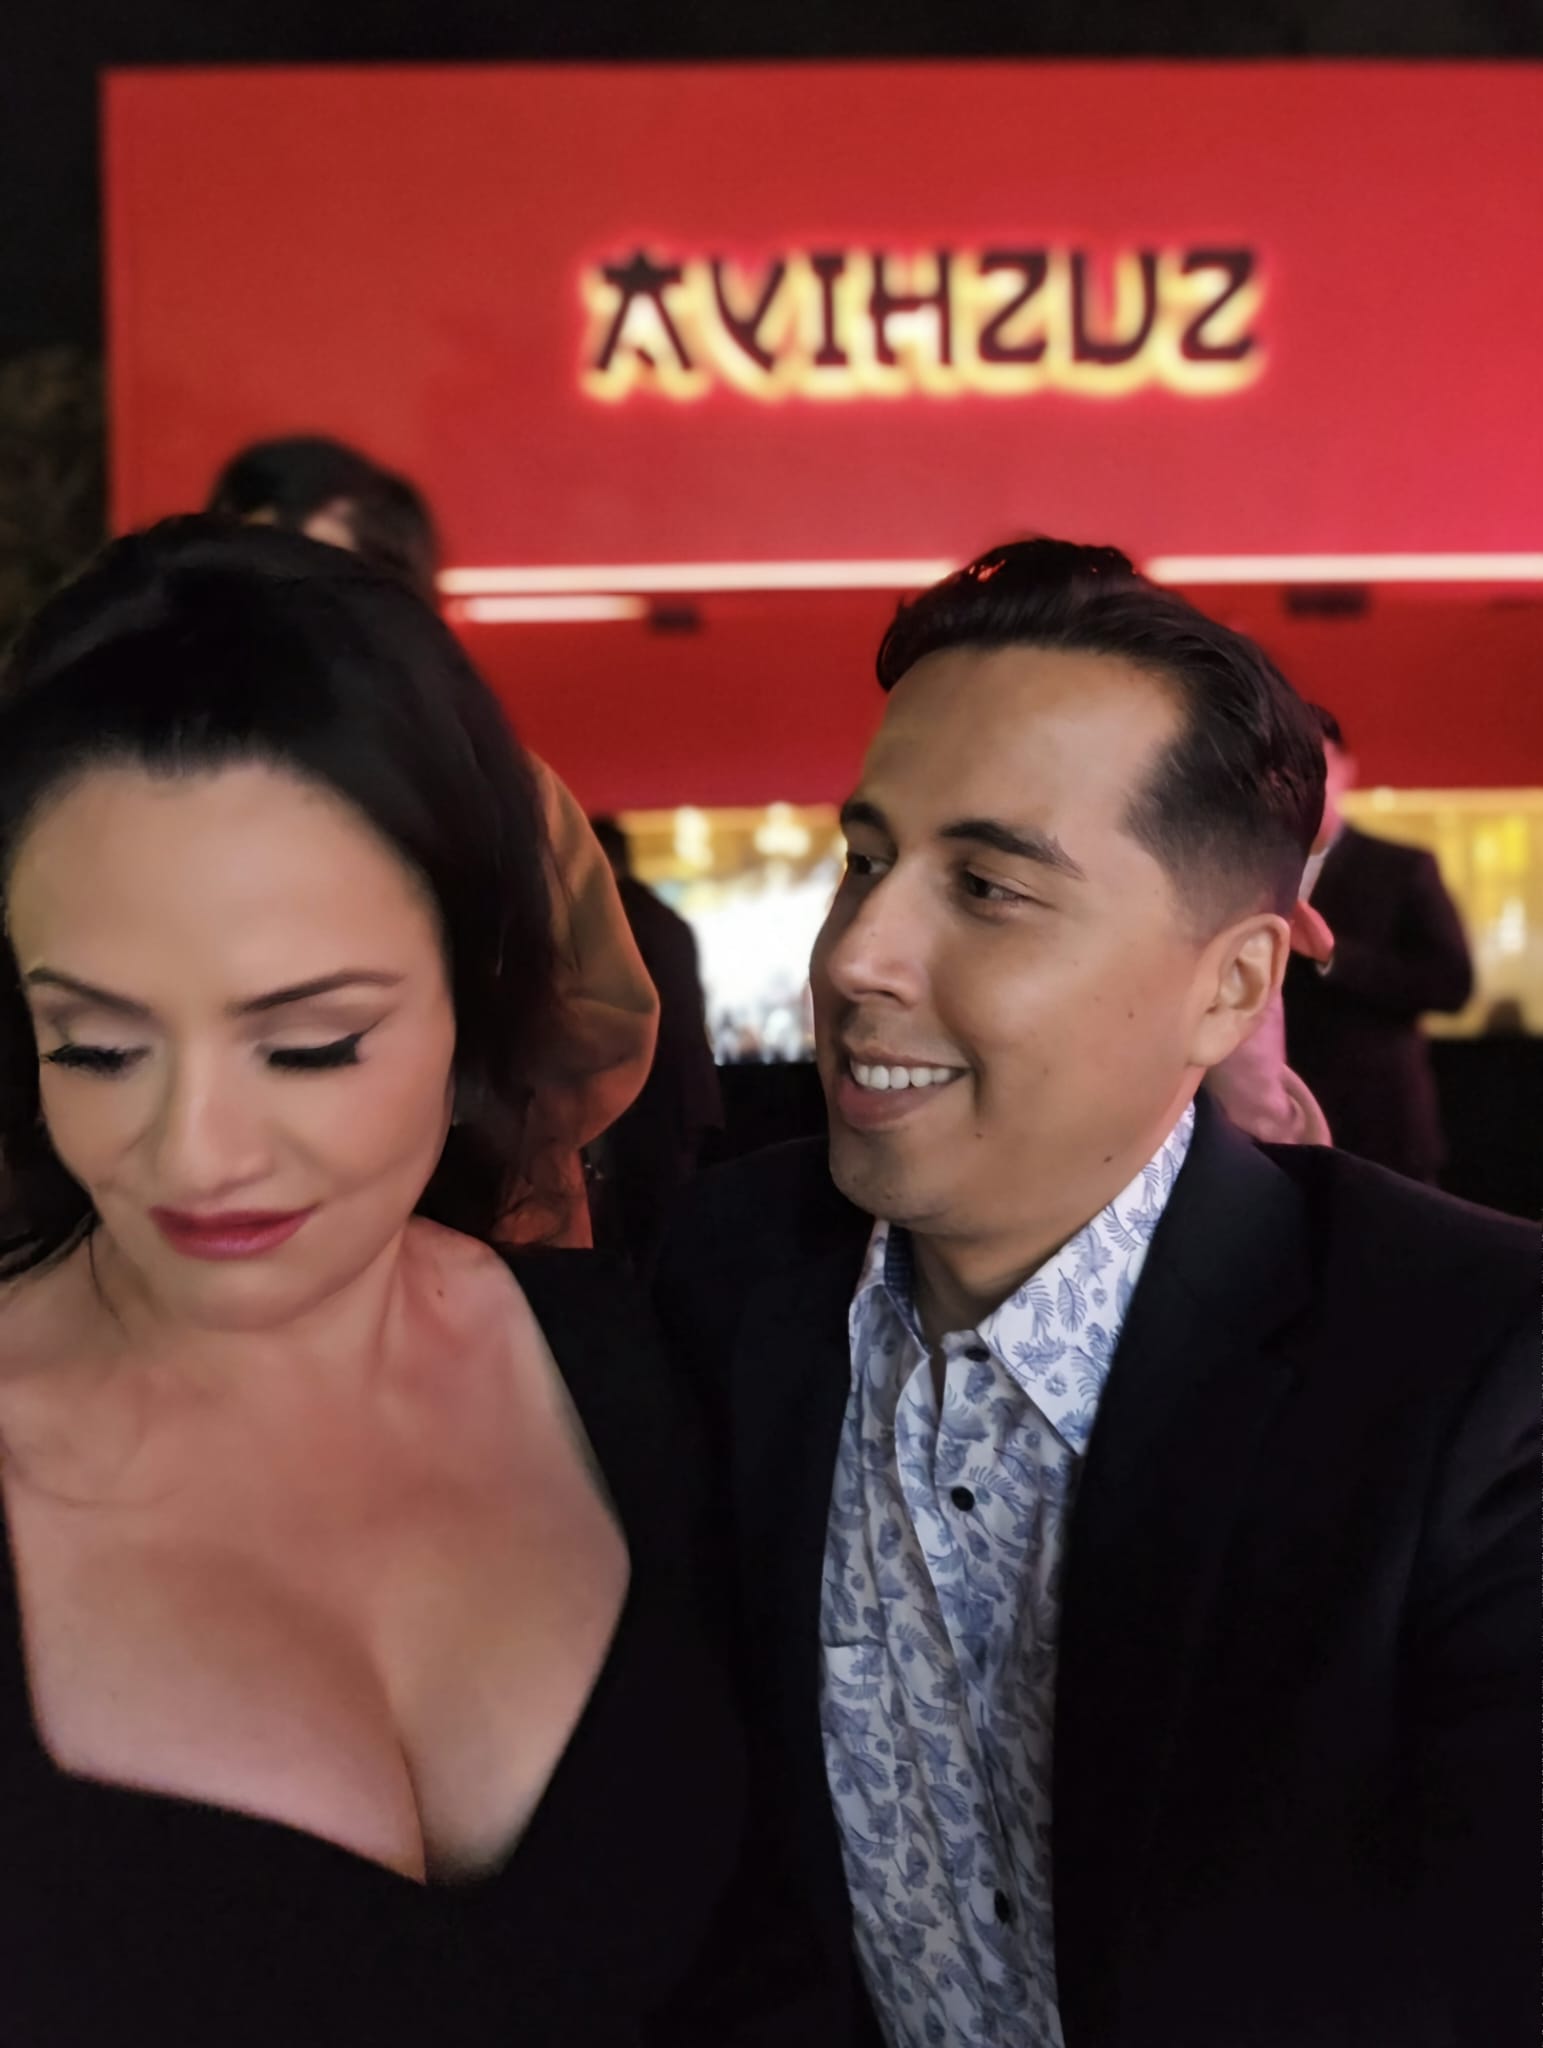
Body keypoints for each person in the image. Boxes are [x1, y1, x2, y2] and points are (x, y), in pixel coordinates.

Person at [655, 540, 1535, 2048]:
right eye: (863, 859)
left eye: (986, 888)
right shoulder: (719, 1285)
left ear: (1231, 986)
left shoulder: (1464, 1375)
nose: (857, 953)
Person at [0, 520, 743, 2047]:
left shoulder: (668, 1372)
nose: (195, 1152)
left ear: (474, 1003)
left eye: (311, 1042)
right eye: (96, 1045)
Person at [208, 436, 660, 1242]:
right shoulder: (161, 794)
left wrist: (433, 1092)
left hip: (470, 1238)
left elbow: (608, 1025)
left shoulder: (493, 791)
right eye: (244, 579)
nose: (279, 616)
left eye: (319, 581)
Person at [1284, 707, 1473, 1183]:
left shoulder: (1400, 866)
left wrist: (1334, 957)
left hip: (1377, 1120)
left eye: (1318, 768)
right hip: (1274, 1120)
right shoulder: (1252, 868)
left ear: (1346, 770)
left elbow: (1451, 984)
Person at [586, 817, 724, 1273]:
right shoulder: (666, 919)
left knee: (641, 1236)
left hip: (641, 1099)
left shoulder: (615, 923)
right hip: (685, 1095)